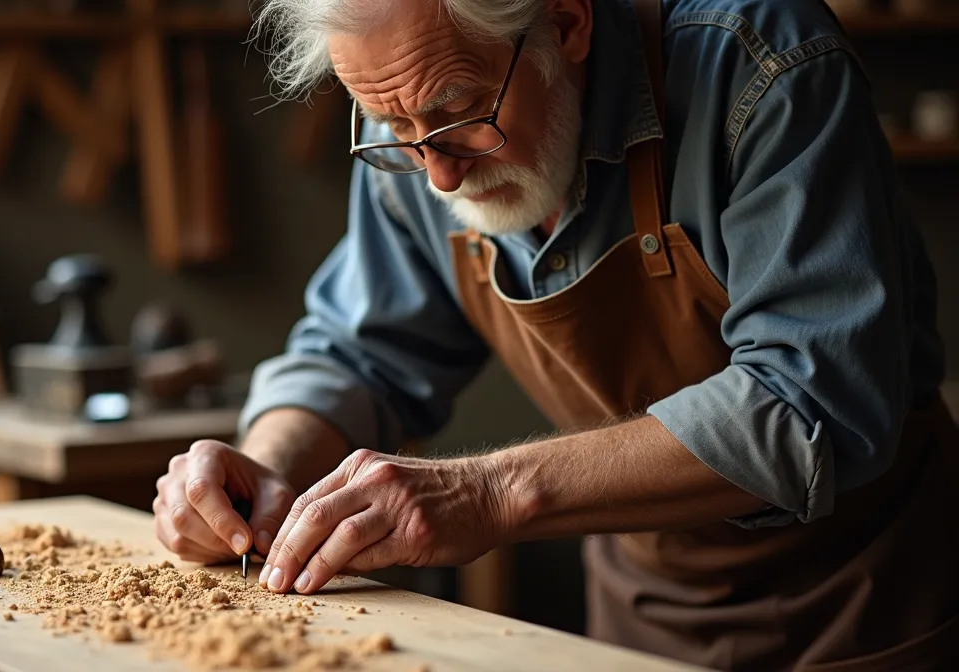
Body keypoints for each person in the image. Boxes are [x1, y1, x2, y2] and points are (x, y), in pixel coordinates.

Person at [152, 0, 959, 668]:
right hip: (645, 613)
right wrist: (269, 461)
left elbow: (809, 401)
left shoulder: (758, 62)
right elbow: (358, 352)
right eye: (393, 125)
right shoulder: (419, 120)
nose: (438, 173)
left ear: (568, 22)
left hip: (867, 598)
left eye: (458, 113)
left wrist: (493, 492)